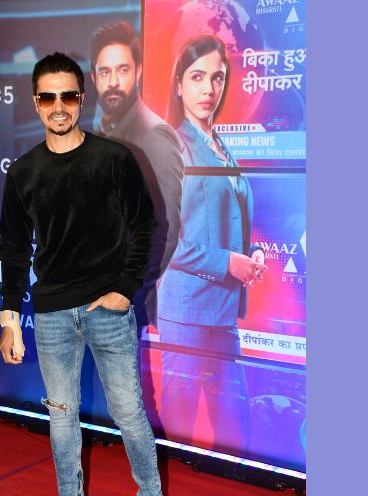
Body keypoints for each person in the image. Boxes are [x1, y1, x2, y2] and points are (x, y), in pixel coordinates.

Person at [0, 52, 169, 496]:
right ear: (35, 102)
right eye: (48, 97)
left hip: (107, 310)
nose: (58, 106)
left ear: (81, 98)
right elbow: (13, 250)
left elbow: (145, 227)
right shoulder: (23, 173)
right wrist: (10, 319)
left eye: (67, 95)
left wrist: (124, 290)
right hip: (51, 313)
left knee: (129, 415)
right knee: (61, 417)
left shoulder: (114, 160)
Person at [156, 34, 268, 452]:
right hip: (187, 314)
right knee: (181, 433)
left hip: (222, 314)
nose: (209, 88)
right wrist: (228, 262)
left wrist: (250, 253)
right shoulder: (171, 144)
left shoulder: (221, 147)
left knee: (237, 434)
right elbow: (164, 237)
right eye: (197, 76)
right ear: (179, 84)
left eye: (217, 78)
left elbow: (229, 218)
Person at [90, 21, 184, 328]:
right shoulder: (101, 134)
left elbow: (165, 232)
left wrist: (124, 295)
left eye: (123, 70)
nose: (114, 81)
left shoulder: (153, 134)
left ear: (138, 72)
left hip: (122, 311)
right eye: (105, 72)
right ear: (94, 77)